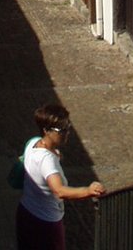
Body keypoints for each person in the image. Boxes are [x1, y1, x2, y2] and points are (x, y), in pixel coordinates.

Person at [16, 104, 105, 250]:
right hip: (46, 223)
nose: (67, 132)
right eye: (61, 130)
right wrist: (88, 191)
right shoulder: (47, 160)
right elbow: (59, 191)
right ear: (46, 130)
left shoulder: (33, 143)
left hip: (26, 213)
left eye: (68, 127)